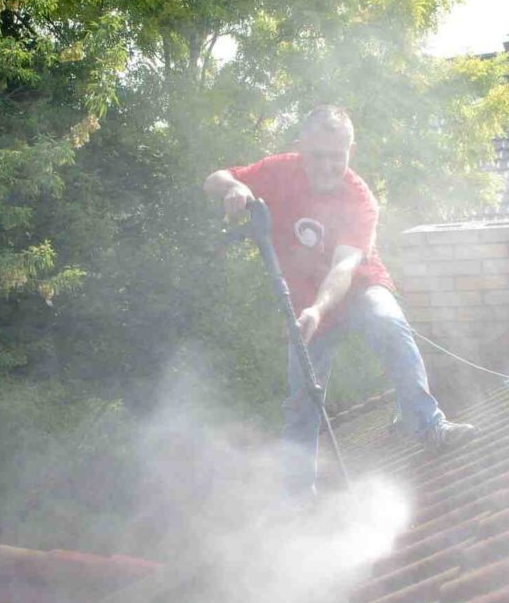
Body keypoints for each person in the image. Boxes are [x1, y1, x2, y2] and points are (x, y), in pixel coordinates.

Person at [203, 105, 476, 501]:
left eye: (337, 155)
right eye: (318, 155)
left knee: (388, 321)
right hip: (307, 308)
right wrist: (234, 187)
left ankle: (428, 425)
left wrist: (317, 309)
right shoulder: (280, 171)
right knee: (301, 396)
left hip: (357, 289)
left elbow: (344, 267)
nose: (328, 165)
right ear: (301, 148)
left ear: (350, 150)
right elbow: (213, 178)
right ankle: (296, 494)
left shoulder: (359, 198)